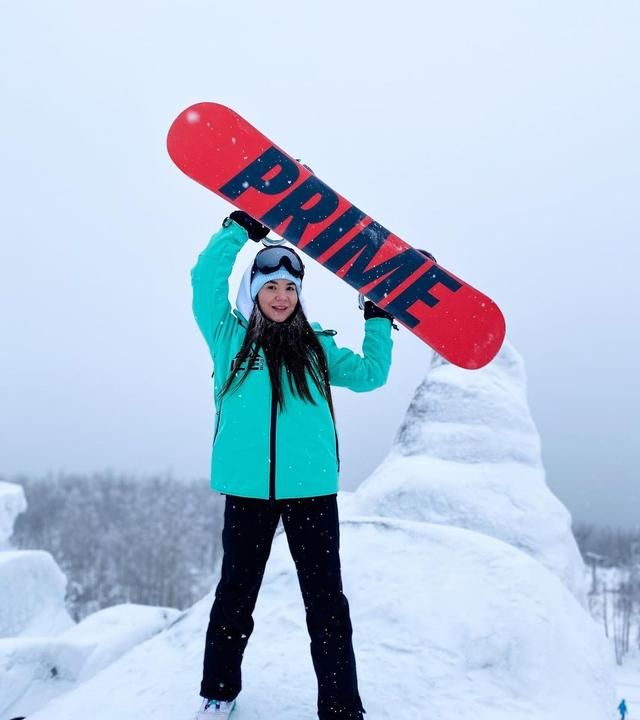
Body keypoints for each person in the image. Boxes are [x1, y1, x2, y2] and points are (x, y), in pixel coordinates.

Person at [191, 211, 395, 719]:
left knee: (326, 604)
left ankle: (342, 707)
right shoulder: (229, 337)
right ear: (254, 290)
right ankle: (219, 694)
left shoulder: (318, 348)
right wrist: (239, 230)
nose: (281, 296)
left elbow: (371, 375)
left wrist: (376, 320)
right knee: (235, 597)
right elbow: (204, 280)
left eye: (290, 286)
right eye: (271, 286)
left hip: (311, 490)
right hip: (248, 490)